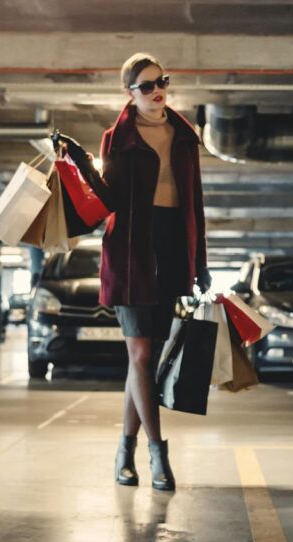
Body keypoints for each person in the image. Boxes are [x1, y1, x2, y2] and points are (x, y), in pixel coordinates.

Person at [74, 53, 210, 490]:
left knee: (146, 365)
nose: (158, 91)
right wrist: (76, 162)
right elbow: (103, 197)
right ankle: (158, 455)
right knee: (141, 357)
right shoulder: (118, 139)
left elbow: (196, 206)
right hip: (130, 253)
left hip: (172, 250)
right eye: (148, 85)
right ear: (130, 92)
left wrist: (200, 263)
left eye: (162, 82)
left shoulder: (183, 137)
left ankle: (124, 452)